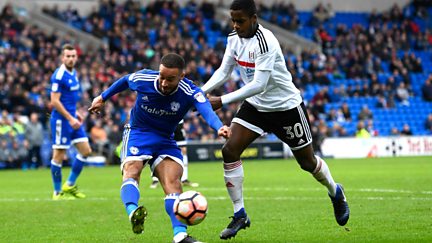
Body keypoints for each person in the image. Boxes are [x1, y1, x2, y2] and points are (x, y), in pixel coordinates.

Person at [201, 0, 350, 240]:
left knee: (307, 163)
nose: (236, 25)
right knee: (230, 151)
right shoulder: (233, 38)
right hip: (256, 107)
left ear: (254, 18)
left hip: (285, 108)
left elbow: (258, 84)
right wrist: (200, 93)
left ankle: (335, 191)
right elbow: (224, 70)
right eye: (233, 20)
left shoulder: (266, 41)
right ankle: (240, 214)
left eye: (240, 21)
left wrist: (222, 100)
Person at [88, 53, 230, 243]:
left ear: (182, 76)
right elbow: (124, 81)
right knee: (132, 170)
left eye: (170, 79)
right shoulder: (144, 78)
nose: (163, 82)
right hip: (139, 133)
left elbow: (205, 109)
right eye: (162, 76)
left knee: (173, 183)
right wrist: (102, 97)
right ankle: (133, 212)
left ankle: (180, 236)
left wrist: (219, 126)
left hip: (165, 139)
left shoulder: (189, 91)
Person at [49, 44, 92, 200]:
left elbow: (69, 100)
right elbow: (54, 101)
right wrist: (70, 118)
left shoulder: (73, 73)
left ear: (77, 57)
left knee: (86, 151)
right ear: (62, 57)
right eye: (68, 56)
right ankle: (56, 192)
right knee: (59, 155)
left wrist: (76, 115)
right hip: (61, 121)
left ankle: (69, 185)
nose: (71, 58)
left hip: (72, 118)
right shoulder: (59, 75)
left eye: (73, 56)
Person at [150, 120, 199, 189]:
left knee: (183, 150)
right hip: (163, 122)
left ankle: (184, 179)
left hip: (177, 123)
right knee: (157, 148)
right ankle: (155, 179)